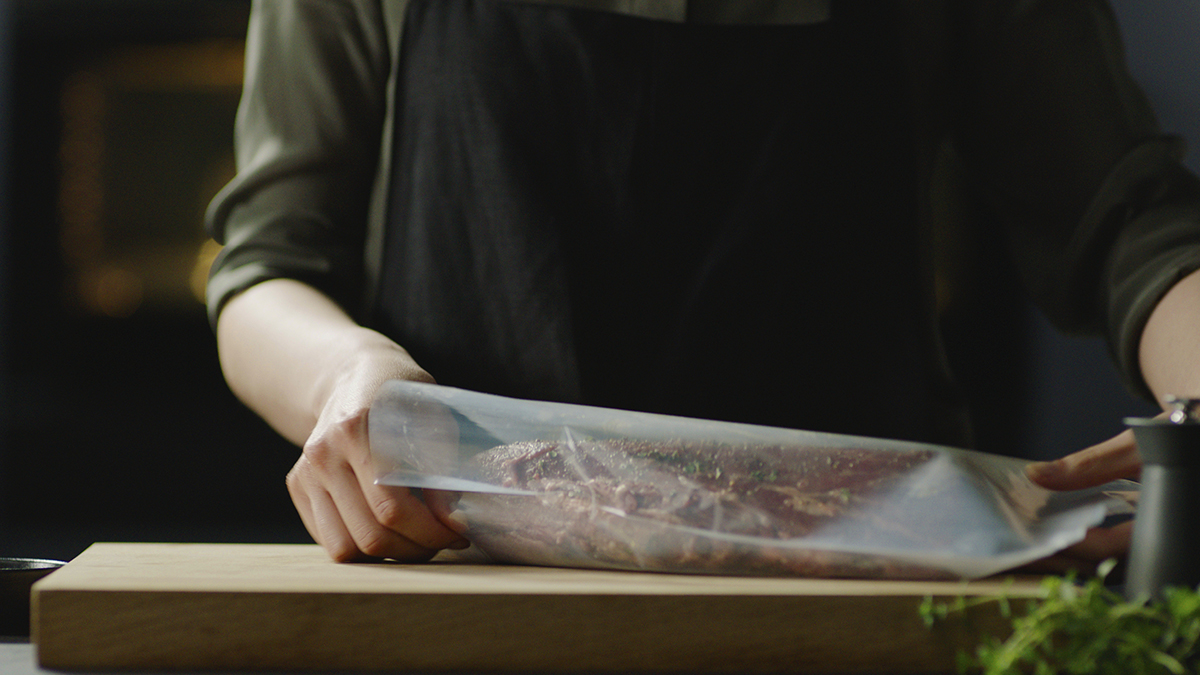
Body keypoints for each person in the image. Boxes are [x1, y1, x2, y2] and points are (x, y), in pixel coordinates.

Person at [206, 0, 1200, 567]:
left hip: (867, 599)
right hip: (465, 584)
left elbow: (1125, 220)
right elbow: (272, 261)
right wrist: (349, 376)